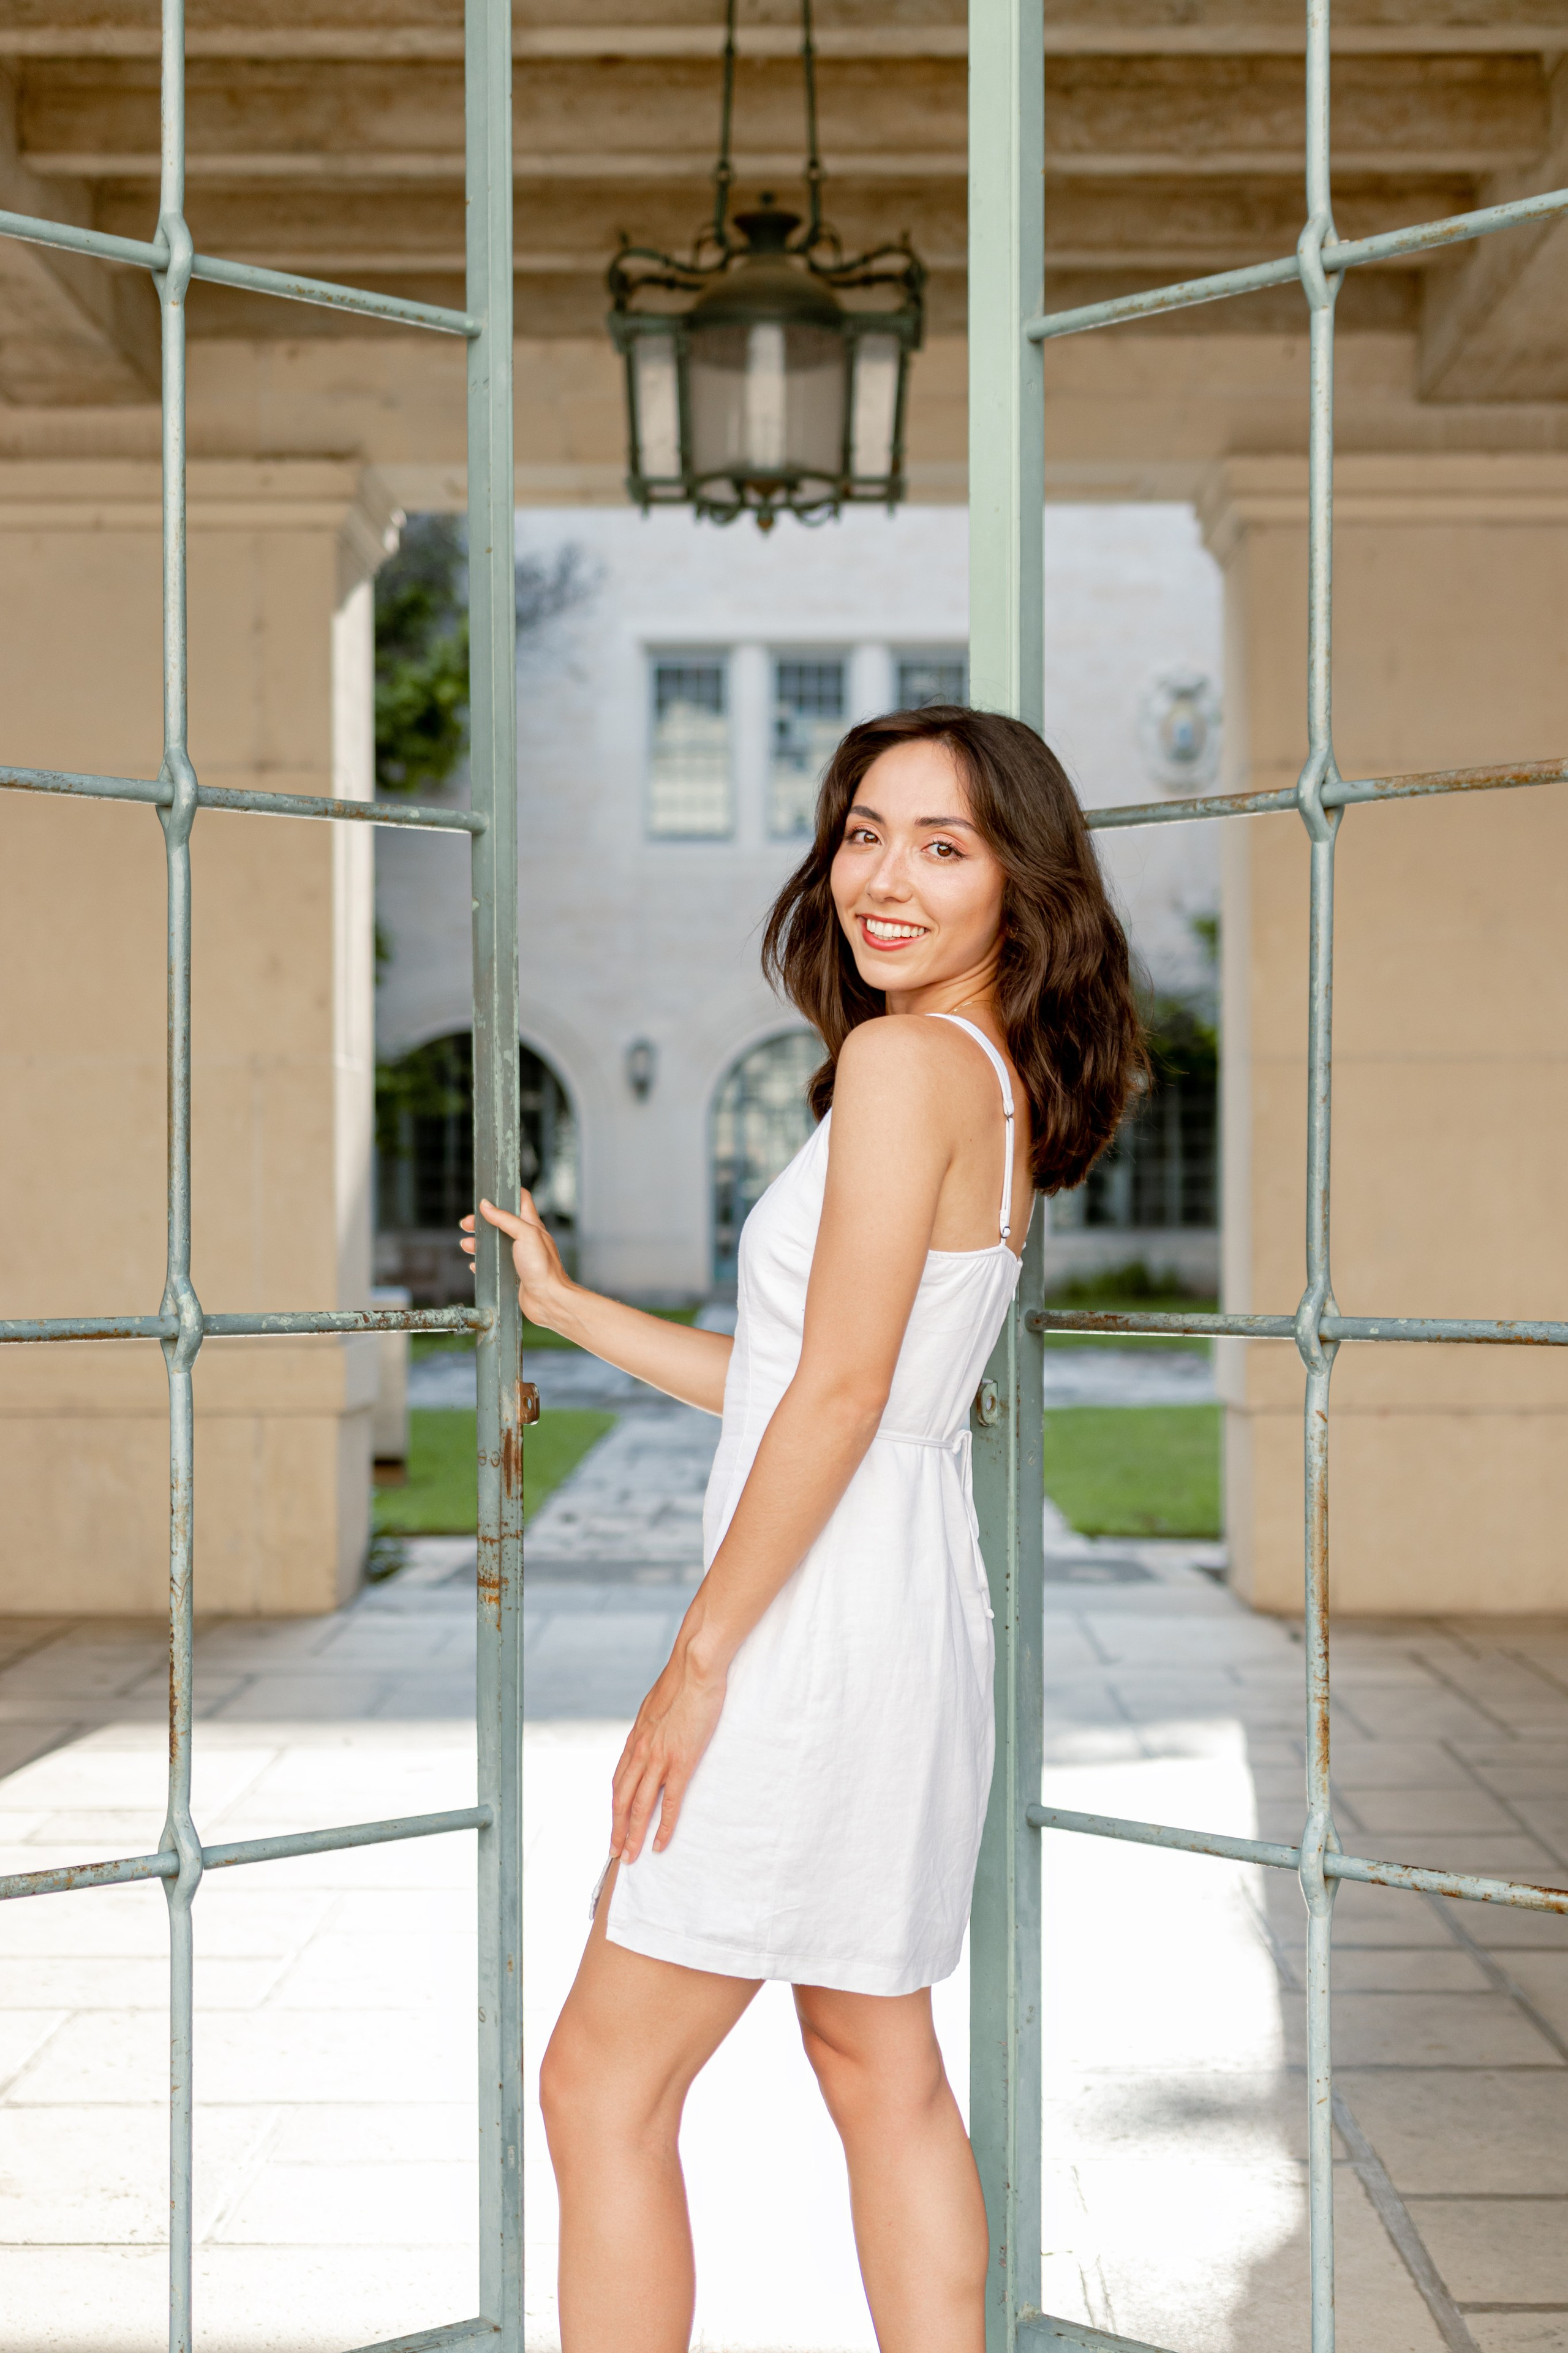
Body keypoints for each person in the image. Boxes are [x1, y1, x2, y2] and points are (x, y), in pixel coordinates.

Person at [464, 706, 1145, 2353]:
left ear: (1019, 883)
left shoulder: (908, 1065)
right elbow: (819, 1381)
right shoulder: (982, 1077)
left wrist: (700, 1662)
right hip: (903, 1611)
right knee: (877, 2060)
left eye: (944, 843)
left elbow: (835, 1397)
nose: (884, 877)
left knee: (600, 2080)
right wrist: (570, 1306)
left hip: (811, 1631)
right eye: (862, 831)